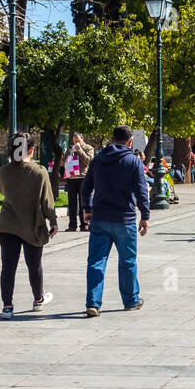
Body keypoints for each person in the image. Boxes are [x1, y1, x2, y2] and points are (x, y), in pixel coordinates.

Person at [80, 124, 150, 317]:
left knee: (96, 261)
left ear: (112, 140)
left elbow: (85, 188)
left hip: (100, 218)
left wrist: (87, 209)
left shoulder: (98, 160)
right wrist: (145, 216)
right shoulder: (133, 161)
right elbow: (141, 190)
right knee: (127, 262)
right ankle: (131, 301)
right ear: (129, 142)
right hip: (124, 219)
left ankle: (93, 303)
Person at [0, 132, 58, 319]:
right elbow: (47, 201)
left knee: (8, 266)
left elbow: (1, 191)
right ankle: (38, 299)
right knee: (34, 265)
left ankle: (7, 306)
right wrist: (52, 221)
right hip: (32, 224)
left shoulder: (3, 171)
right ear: (31, 149)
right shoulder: (40, 172)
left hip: (7, 224)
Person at [61, 133, 95, 232]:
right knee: (71, 203)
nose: (76, 143)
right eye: (74, 141)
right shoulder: (70, 149)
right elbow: (63, 163)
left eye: (78, 141)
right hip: (71, 178)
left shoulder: (88, 148)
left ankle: (84, 224)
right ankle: (72, 225)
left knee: (83, 202)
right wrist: (68, 154)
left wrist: (79, 150)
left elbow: (89, 161)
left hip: (83, 177)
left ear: (82, 139)